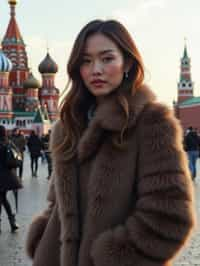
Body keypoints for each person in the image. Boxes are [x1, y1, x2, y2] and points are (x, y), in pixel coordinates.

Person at [26, 20, 195, 266]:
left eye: (106, 59)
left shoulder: (151, 123)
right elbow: (58, 204)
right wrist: (44, 243)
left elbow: (170, 217)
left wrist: (109, 257)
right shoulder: (68, 126)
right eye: (86, 61)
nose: (96, 69)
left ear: (126, 62)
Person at [0, 125, 22, 233]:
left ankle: (12, 222)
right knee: (3, 198)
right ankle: (12, 222)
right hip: (7, 176)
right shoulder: (8, 142)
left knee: (2, 198)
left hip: (2, 176)